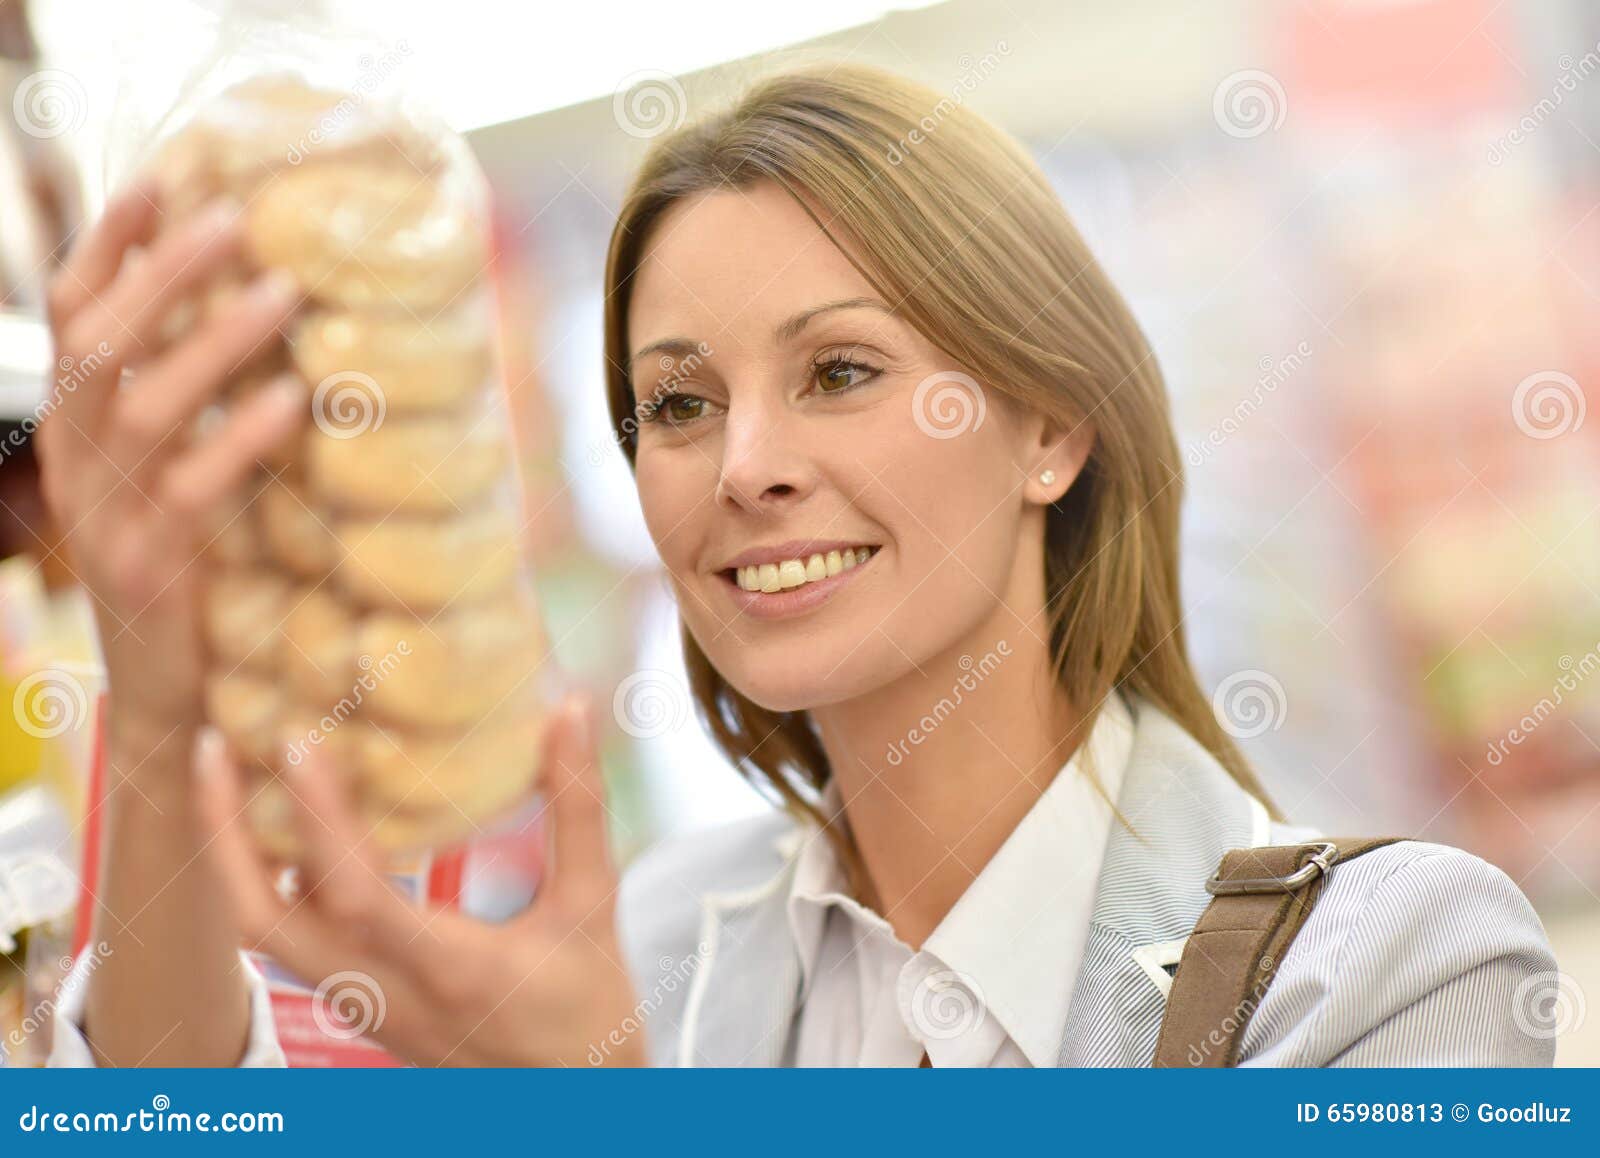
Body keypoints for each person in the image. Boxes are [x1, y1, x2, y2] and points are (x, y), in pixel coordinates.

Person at [43, 63, 1556, 1068]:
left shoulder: (1396, 970)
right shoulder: (653, 948)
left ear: (1051, 429)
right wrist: (163, 709)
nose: (743, 463)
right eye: (679, 402)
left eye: (838, 371)